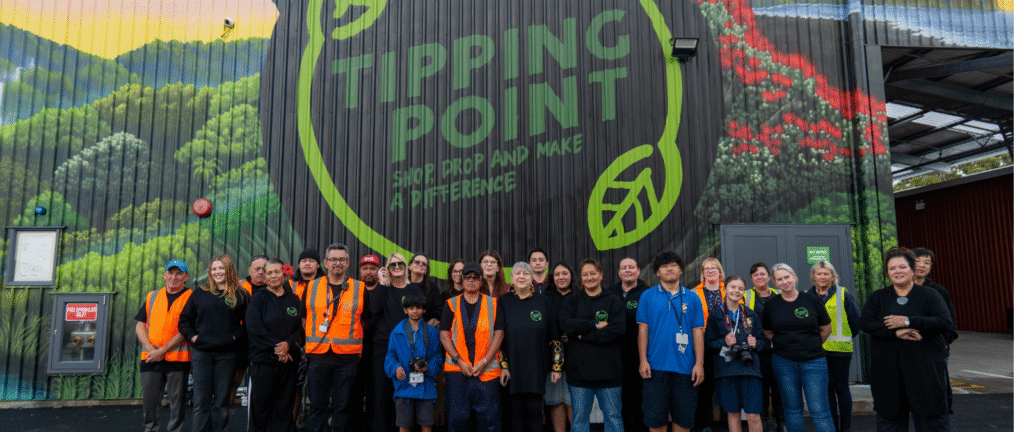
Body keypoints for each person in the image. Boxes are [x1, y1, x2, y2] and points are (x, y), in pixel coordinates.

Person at [860, 248, 953, 432]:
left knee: (932, 423)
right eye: (892, 268)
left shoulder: (930, 295)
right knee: (889, 422)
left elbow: (945, 322)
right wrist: (896, 333)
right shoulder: (878, 297)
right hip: (888, 374)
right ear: (887, 272)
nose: (897, 271)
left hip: (925, 373)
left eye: (902, 267)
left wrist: (909, 321)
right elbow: (865, 323)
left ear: (912, 269)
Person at [303, 243, 370, 432]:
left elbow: (364, 321)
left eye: (341, 259)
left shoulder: (359, 288)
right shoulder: (312, 287)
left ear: (348, 263)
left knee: (343, 407)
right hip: (318, 357)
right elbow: (304, 318)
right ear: (325, 263)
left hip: (346, 359)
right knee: (317, 407)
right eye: (333, 259)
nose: (337, 263)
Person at [178, 255, 249, 432]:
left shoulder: (241, 294)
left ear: (229, 270)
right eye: (214, 268)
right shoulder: (200, 292)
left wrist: (234, 338)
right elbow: (184, 321)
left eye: (221, 268)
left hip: (228, 355)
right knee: (201, 402)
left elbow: (249, 324)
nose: (217, 272)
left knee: (221, 402)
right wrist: (194, 338)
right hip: (202, 353)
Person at [761, 263, 834, 432]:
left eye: (787, 277)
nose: (784, 281)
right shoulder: (771, 306)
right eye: (780, 279)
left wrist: (810, 345)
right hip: (784, 363)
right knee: (792, 410)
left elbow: (826, 328)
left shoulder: (811, 300)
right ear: (775, 282)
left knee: (819, 410)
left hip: (814, 362)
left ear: (794, 277)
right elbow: (767, 331)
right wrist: (785, 344)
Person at [637, 251, 704, 432]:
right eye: (664, 266)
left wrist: (699, 364)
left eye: (673, 265)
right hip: (655, 369)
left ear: (681, 270)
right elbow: (643, 330)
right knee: (655, 421)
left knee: (683, 421)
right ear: (658, 272)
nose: (669, 269)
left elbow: (697, 332)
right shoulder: (647, 296)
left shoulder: (692, 297)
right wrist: (643, 360)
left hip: (686, 369)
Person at [560, 258, 625, 432]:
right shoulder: (572, 301)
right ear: (581, 278)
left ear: (601, 275)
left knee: (613, 419)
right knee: (579, 421)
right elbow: (565, 324)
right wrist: (594, 325)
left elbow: (617, 330)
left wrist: (582, 335)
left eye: (593, 273)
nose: (589, 278)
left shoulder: (613, 300)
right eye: (585, 274)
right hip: (579, 375)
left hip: (610, 374)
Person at [440, 262, 506, 432]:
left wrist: (485, 361)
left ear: (481, 280)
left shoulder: (493, 303)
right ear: (461, 280)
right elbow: (444, 335)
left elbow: (499, 334)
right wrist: (458, 361)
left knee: (489, 421)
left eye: (475, 277)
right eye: (467, 276)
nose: (471, 280)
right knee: (458, 420)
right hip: (457, 371)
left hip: (487, 371)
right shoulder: (451, 303)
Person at [499, 262, 562, 432]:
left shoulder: (544, 302)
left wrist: (556, 367)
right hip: (512, 369)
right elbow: (498, 338)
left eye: (526, 274)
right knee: (516, 413)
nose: (521, 277)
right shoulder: (503, 302)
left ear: (532, 278)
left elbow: (555, 337)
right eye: (517, 274)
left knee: (536, 413)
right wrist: (503, 366)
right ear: (512, 278)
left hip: (537, 368)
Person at [247, 258, 305, 432]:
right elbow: (254, 329)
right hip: (264, 363)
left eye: (277, 272)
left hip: (288, 364)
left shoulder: (294, 299)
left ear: (284, 274)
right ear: (264, 277)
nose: (273, 276)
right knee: (261, 408)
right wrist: (279, 348)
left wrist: (289, 345)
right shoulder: (258, 299)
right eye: (269, 273)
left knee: (284, 408)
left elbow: (301, 329)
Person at [136, 260, 193, 432]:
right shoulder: (152, 296)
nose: (174, 277)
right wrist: (152, 350)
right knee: (150, 403)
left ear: (186, 277)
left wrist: (161, 351)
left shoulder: (191, 296)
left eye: (179, 274)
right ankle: (150, 430)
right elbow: (140, 326)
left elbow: (187, 330)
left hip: (178, 360)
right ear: (164, 275)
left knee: (178, 405)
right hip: (150, 358)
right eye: (170, 273)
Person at [706, 276, 766, 432]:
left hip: (750, 370)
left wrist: (756, 343)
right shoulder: (716, 316)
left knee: (753, 415)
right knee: (733, 414)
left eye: (740, 288)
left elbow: (763, 342)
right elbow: (708, 345)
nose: (736, 291)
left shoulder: (750, 314)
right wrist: (723, 341)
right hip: (727, 370)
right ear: (724, 289)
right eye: (732, 287)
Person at [807, 261, 860, 432]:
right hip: (818, 352)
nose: (822, 277)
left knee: (841, 389)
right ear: (813, 276)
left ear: (832, 276)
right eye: (819, 274)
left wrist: (845, 337)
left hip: (840, 351)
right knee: (827, 390)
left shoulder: (843, 294)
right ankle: (832, 427)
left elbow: (855, 322)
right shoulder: (807, 296)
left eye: (826, 273)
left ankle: (845, 428)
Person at [385, 292, 444, 432]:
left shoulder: (432, 332)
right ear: (405, 310)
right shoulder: (397, 331)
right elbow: (390, 357)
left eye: (418, 308)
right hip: (404, 386)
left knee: (427, 425)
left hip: (426, 386)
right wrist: (395, 368)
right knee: (404, 425)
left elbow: (438, 357)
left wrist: (428, 368)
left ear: (424, 309)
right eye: (411, 308)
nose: (415, 311)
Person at [372, 253, 417, 432]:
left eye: (400, 264)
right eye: (392, 265)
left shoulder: (414, 289)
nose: (397, 267)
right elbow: (374, 309)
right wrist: (382, 283)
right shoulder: (383, 289)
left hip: (408, 347)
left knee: (407, 391)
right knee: (382, 393)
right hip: (384, 347)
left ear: (406, 267)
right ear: (388, 269)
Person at [607, 257, 649, 432]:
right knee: (619, 403)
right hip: (615, 357)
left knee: (640, 402)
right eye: (624, 267)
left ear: (638, 271)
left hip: (640, 356)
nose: (627, 270)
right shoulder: (610, 293)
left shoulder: (646, 293)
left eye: (631, 267)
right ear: (619, 272)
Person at [290, 247, 326, 427]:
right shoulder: (290, 285)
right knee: (294, 385)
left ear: (318, 265)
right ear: (299, 264)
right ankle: (292, 423)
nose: (307, 264)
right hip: (296, 343)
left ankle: (318, 423)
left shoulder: (326, 285)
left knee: (319, 387)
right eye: (304, 261)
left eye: (311, 261)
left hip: (320, 344)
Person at [746, 263, 783, 432]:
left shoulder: (778, 295)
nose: (759, 277)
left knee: (778, 386)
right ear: (751, 279)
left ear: (769, 277)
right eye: (755, 275)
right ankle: (763, 422)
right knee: (761, 386)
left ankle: (780, 421)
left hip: (778, 348)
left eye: (762, 274)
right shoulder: (746, 295)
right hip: (757, 349)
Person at [692, 257, 725, 432]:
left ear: (720, 272)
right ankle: (704, 425)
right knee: (704, 388)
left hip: (727, 345)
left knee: (727, 386)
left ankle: (729, 425)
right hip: (703, 346)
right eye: (706, 268)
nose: (710, 271)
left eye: (714, 268)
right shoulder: (693, 293)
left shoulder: (730, 289)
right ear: (702, 273)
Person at [543, 262, 576, 432]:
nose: (561, 277)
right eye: (557, 274)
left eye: (565, 273)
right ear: (552, 278)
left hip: (575, 356)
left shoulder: (579, 295)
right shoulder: (546, 297)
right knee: (555, 401)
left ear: (571, 275)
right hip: (552, 357)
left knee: (573, 401)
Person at [351, 254, 382, 432]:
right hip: (354, 349)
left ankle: (372, 425)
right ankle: (355, 425)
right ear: (359, 270)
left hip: (376, 351)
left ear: (378, 270)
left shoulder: (384, 291)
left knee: (374, 393)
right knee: (354, 392)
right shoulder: (352, 290)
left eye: (372, 268)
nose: (368, 272)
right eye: (365, 268)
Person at [910, 247, 958, 354]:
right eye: (917, 261)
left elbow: (950, 320)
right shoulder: (899, 289)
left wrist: (944, 341)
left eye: (927, 263)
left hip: (935, 349)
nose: (922, 265)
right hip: (908, 348)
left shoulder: (938, 291)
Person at [410, 253, 447, 326]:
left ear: (426, 270)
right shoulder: (402, 285)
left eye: (424, 264)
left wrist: (424, 329)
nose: (420, 264)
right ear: (410, 266)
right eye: (417, 262)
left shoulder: (433, 288)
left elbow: (438, 314)